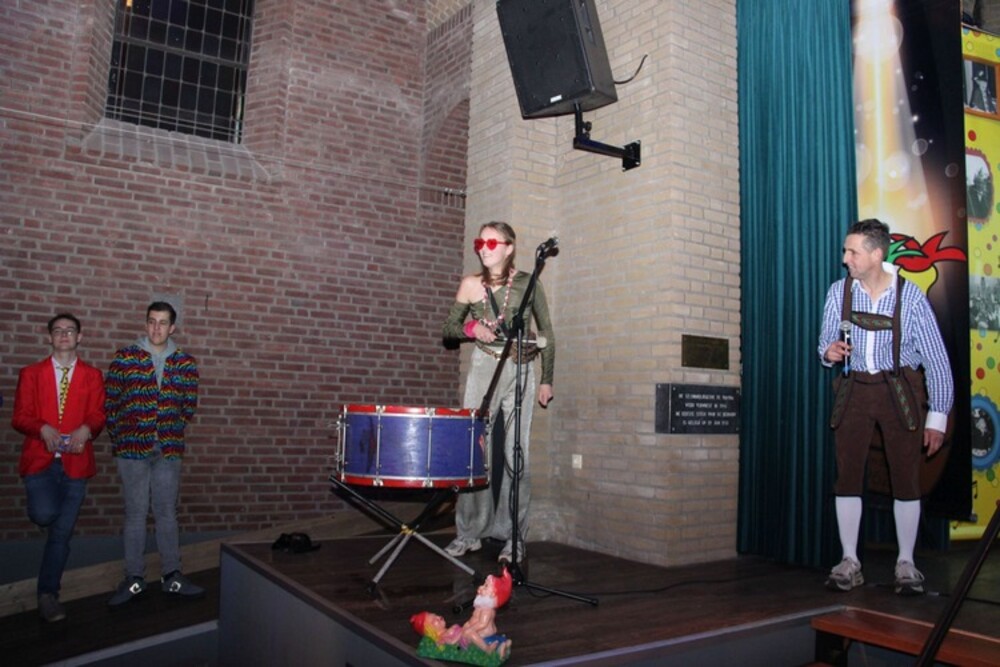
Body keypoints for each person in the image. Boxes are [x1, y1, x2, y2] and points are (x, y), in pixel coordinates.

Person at [818, 219, 953, 595]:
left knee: (906, 477)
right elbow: (824, 342)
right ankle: (849, 560)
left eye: (852, 252)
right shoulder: (839, 292)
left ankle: (906, 563)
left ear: (877, 254)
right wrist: (829, 352)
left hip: (899, 392)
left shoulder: (911, 297)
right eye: (846, 251)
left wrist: (937, 418)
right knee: (847, 475)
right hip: (854, 390)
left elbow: (936, 361)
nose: (845, 259)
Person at [442, 222, 556, 564]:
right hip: (484, 367)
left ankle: (513, 536)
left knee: (516, 453)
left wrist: (547, 379)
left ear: (509, 247)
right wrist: (471, 327)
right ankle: (469, 533)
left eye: (492, 242)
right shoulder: (470, 284)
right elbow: (449, 329)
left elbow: (547, 331)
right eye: (480, 242)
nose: (484, 248)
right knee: (474, 450)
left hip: (521, 368)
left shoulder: (528, 283)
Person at [105, 301, 203, 605]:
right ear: (146, 323)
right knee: (135, 513)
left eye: (162, 322)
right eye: (151, 321)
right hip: (132, 449)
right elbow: (111, 402)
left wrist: (168, 430)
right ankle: (134, 578)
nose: (156, 328)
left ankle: (172, 575)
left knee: (166, 513)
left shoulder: (185, 363)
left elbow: (188, 406)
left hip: (168, 449)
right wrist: (124, 436)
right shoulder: (126, 358)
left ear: (172, 327)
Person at [12, 313, 106, 622]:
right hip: (40, 460)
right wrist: (41, 428)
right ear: (50, 337)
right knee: (43, 515)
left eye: (70, 330)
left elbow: (98, 414)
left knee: (61, 535)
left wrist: (87, 429)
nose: (64, 335)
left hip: (76, 464)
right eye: (58, 330)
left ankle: (48, 594)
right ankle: (48, 526)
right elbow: (19, 416)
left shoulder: (92, 376)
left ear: (79, 337)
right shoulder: (31, 374)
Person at [411, 568, 513, 662]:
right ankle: (502, 647)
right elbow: (452, 641)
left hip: (483, 630)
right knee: (468, 635)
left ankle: (488, 650)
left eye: (485, 586)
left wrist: (469, 629)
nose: (481, 587)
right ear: (430, 630)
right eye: (434, 621)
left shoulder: (486, 610)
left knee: (470, 634)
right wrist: (465, 628)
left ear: (493, 594)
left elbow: (482, 624)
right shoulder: (482, 607)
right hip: (475, 630)